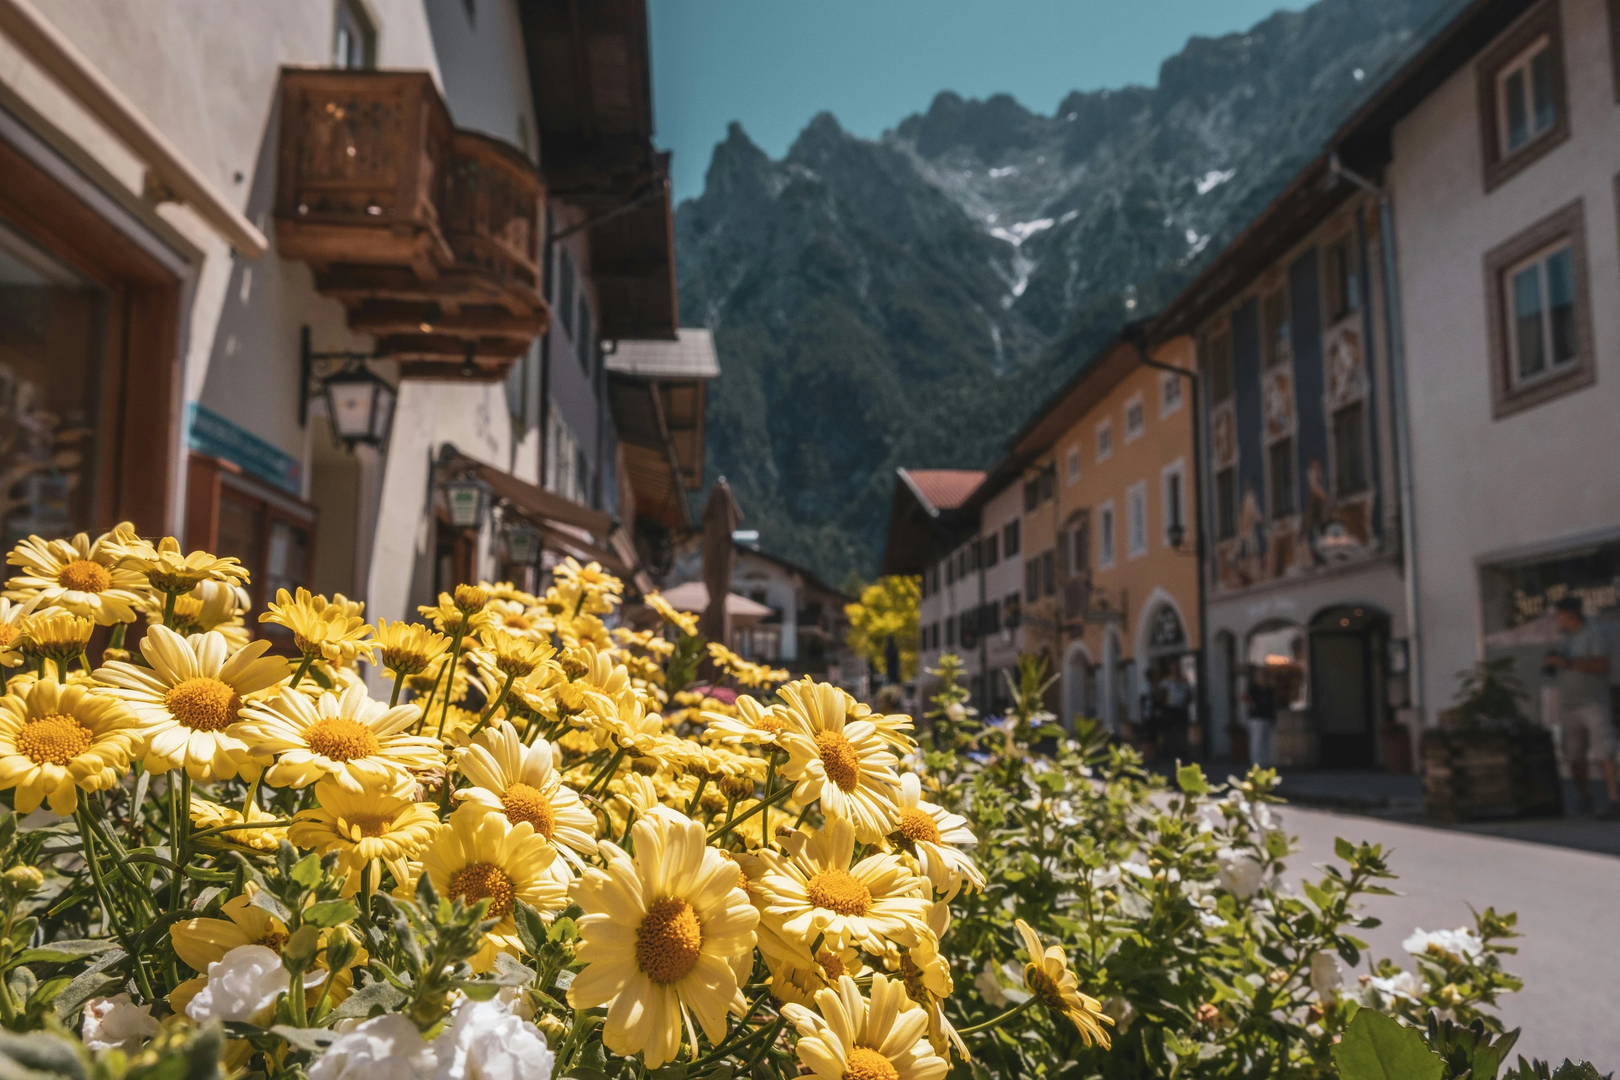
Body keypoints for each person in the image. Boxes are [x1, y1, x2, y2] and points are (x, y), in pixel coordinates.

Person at [1545, 596, 1618, 817]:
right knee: (1574, 755)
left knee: (1604, 751)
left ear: (1571, 615)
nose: (1557, 620)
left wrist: (1566, 663)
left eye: (1559, 616)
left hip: (1593, 701)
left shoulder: (1593, 633)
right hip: (1569, 703)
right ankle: (1585, 797)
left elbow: (1601, 664)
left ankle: (1615, 799)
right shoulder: (1567, 637)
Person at [1245, 667, 1277, 768]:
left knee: (1267, 741)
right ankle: (1256, 762)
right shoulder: (1253, 689)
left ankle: (1266, 762)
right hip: (1257, 717)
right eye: (1261, 676)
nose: (1263, 679)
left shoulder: (1269, 690)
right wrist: (1251, 704)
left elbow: (1273, 702)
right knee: (1257, 740)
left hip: (1267, 717)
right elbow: (1245, 697)